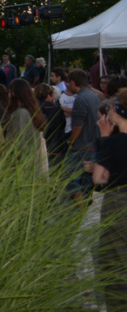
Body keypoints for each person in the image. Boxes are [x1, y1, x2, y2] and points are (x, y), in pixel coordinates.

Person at [92, 88, 127, 310]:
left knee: (115, 262)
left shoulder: (113, 143)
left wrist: (105, 137)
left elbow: (97, 179)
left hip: (119, 202)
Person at [66, 69, 102, 201]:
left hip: (81, 146)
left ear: (73, 82)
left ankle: (81, 209)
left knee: (69, 179)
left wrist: (71, 142)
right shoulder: (94, 96)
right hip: (93, 144)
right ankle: (87, 209)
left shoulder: (80, 99)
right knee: (87, 181)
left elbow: (78, 126)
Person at [4, 79, 47, 171]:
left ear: (14, 93)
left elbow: (18, 143)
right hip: (32, 164)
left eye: (9, 91)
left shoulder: (21, 113)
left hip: (22, 167)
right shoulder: (30, 111)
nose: (8, 95)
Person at [35, 83, 67, 164]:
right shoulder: (57, 109)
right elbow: (62, 125)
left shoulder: (34, 109)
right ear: (49, 96)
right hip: (55, 146)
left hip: (37, 148)